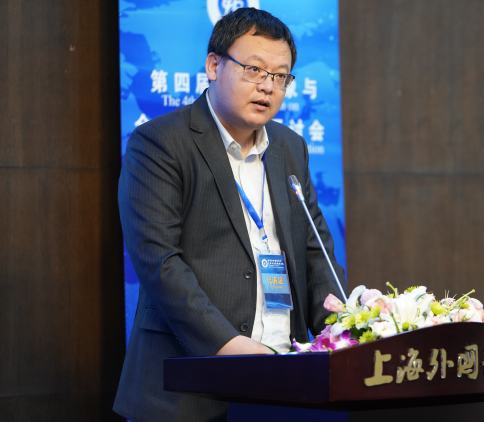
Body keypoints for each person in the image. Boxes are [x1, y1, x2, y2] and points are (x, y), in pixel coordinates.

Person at [113, 8, 344, 421]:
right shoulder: (160, 143)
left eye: (280, 76)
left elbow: (314, 251)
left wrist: (344, 327)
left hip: (285, 384)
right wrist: (229, 347)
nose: (267, 86)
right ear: (213, 66)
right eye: (254, 70)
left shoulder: (290, 147)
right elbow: (159, 262)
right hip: (188, 388)